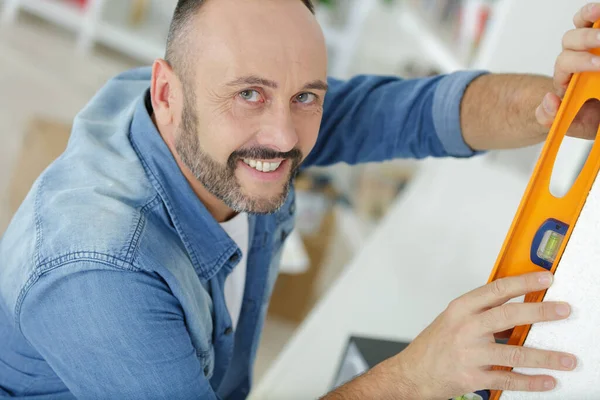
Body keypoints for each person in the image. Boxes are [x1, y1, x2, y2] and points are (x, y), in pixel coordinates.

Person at [0, 0, 599, 398]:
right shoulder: (99, 273)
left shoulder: (202, 104)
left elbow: (410, 114)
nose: (286, 136)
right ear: (166, 92)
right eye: (251, 95)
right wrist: (416, 376)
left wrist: (561, 104)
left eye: (307, 96)